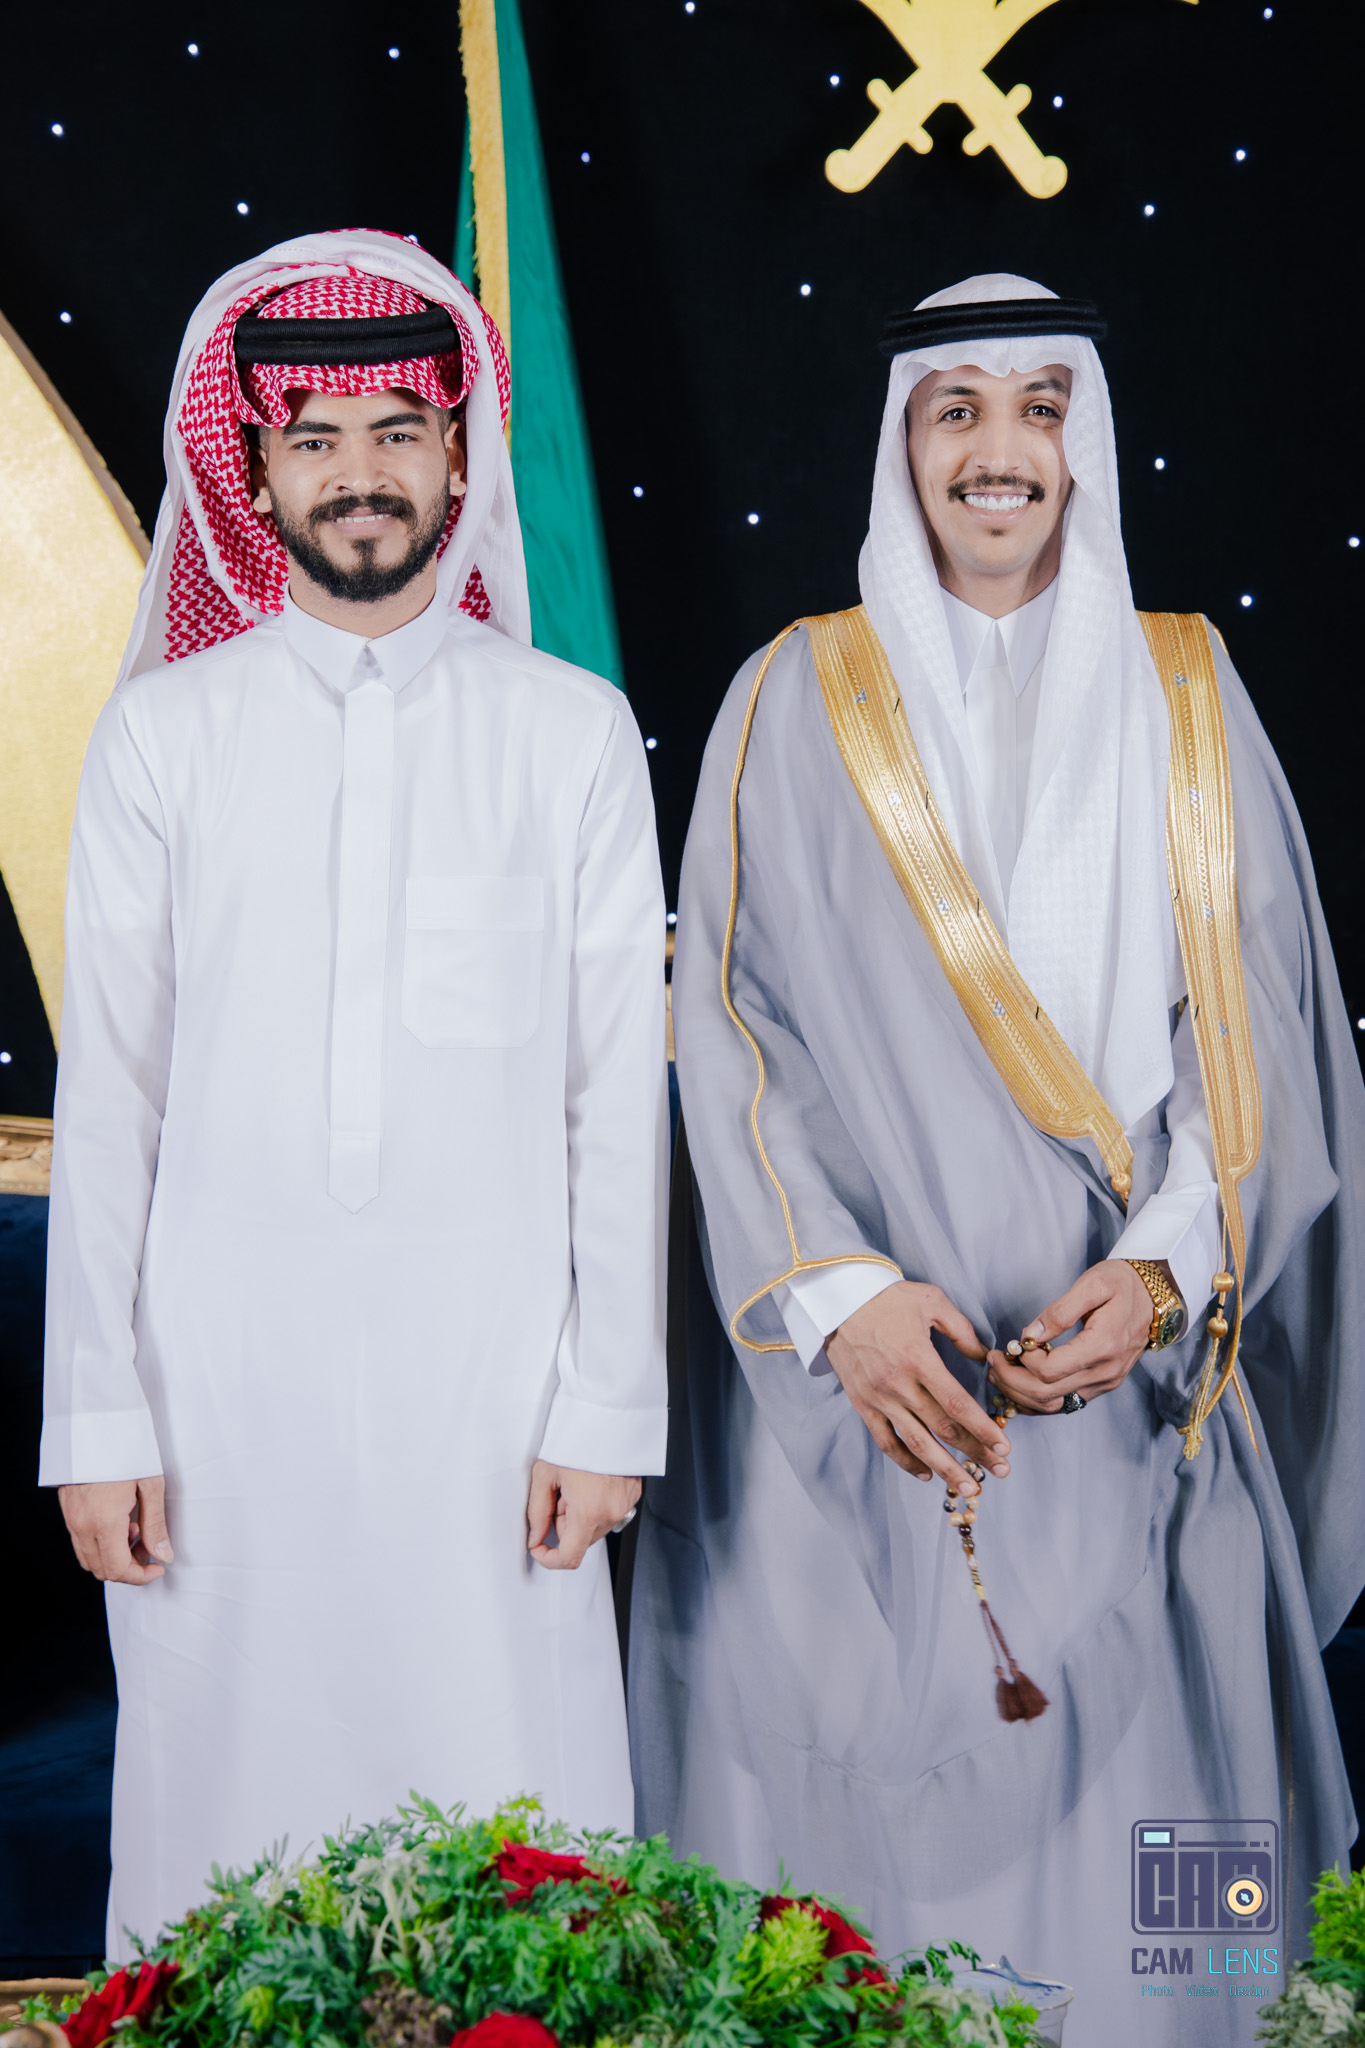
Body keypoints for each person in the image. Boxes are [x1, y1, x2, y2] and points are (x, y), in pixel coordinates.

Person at [629, 274, 1365, 2045]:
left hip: (1131, 1389)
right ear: (901, 446)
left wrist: (1167, 1267)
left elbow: (1254, 1025)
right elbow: (725, 1025)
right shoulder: (787, 694)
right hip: (867, 1399)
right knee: (848, 1915)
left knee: (1191, 1923)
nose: (998, 447)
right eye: (955, 407)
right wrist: (845, 1300)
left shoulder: (1186, 687)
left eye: (1039, 406)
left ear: (1081, 442)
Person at [40, 230, 668, 1956]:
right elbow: (113, 1105)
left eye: (398, 432)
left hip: (500, 1409)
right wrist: (98, 1424)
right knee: (227, 1853)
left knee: (515, 1848)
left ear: (459, 459)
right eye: (314, 441)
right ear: (251, 476)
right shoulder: (165, 736)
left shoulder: (569, 732)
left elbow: (615, 1104)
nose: (360, 474)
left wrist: (606, 1411)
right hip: (217, 1408)